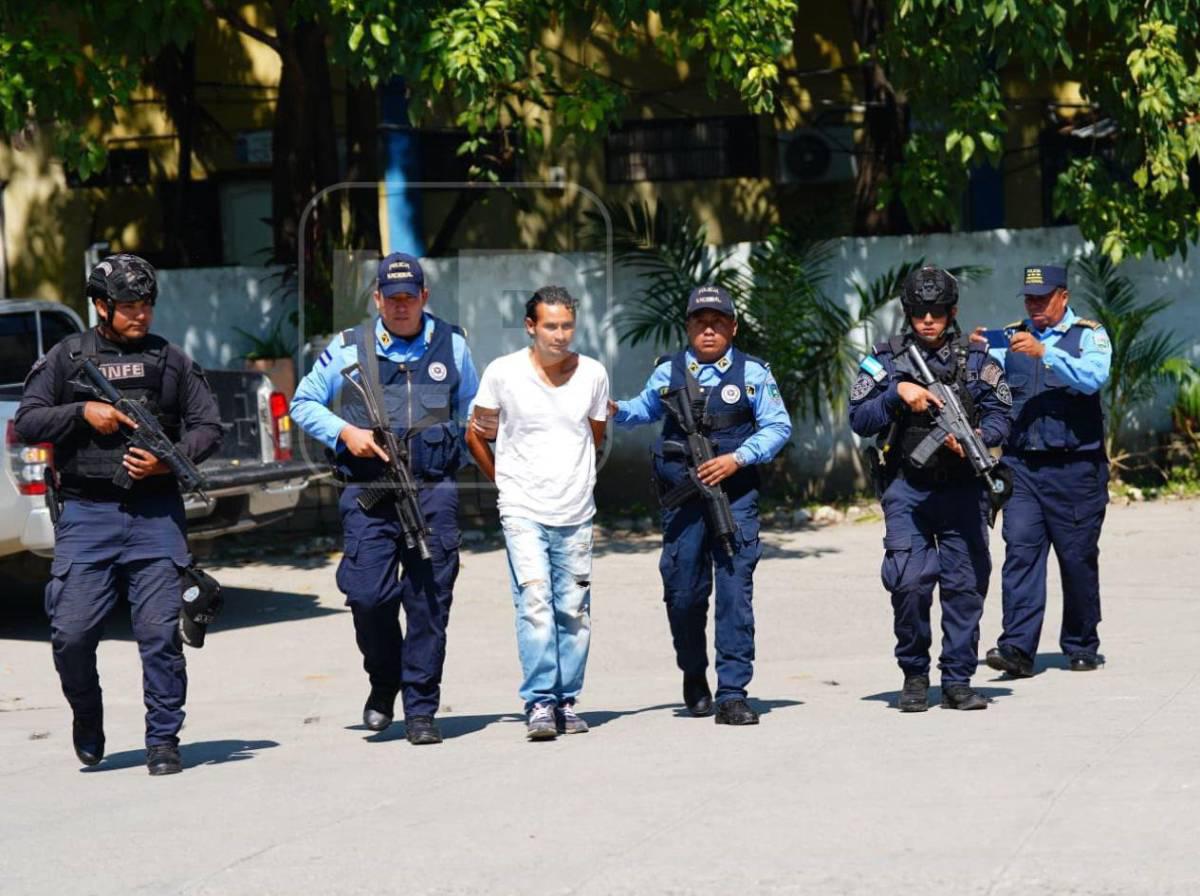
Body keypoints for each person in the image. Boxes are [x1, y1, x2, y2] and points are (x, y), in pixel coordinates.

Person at [14, 253, 223, 774]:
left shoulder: (170, 360)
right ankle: (88, 717)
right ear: (102, 306)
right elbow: (29, 420)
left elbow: (208, 427)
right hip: (88, 513)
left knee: (159, 634)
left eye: (147, 304)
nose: (141, 315)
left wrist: (168, 460)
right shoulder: (67, 359)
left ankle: (163, 740)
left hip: (155, 514)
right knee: (72, 632)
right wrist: (83, 412)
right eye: (129, 306)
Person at [290, 252, 478, 745]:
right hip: (368, 494)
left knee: (430, 602)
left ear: (423, 297)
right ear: (377, 299)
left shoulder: (452, 346)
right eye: (390, 298)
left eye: (408, 297)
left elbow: (475, 412)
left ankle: (420, 709)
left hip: (432, 491)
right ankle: (384, 680)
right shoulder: (348, 347)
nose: (400, 306)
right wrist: (344, 432)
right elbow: (303, 403)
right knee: (368, 596)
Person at [611, 285, 791, 726]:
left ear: (732, 326)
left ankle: (733, 693)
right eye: (699, 322)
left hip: (735, 501)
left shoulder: (753, 374)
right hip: (683, 503)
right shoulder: (667, 372)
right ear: (688, 327)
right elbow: (641, 410)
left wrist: (737, 459)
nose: (708, 330)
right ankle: (694, 674)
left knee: (734, 596)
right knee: (683, 595)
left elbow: (777, 426)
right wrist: (608, 408)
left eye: (717, 322)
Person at [849, 266, 1010, 712]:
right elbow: (859, 419)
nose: (928, 320)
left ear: (952, 312)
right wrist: (897, 392)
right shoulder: (884, 360)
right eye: (919, 312)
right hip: (907, 487)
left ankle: (958, 679)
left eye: (937, 312)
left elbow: (1002, 416)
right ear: (908, 313)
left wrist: (977, 438)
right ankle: (915, 675)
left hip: (963, 489)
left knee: (965, 585)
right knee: (910, 582)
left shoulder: (978, 360)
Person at [465, 286, 609, 741]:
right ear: (531, 327)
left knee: (574, 609)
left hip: (576, 512)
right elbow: (476, 435)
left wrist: (576, 477)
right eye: (551, 326)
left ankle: (567, 700)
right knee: (535, 605)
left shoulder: (593, 374)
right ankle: (541, 702)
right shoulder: (502, 374)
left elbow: (596, 434)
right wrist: (504, 483)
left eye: (567, 325)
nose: (560, 335)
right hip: (523, 509)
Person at [982, 265, 1112, 678]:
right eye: (1029, 299)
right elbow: (984, 377)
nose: (1033, 306)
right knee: (1020, 553)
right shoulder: (1011, 336)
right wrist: (976, 353)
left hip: (1076, 470)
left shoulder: (1088, 336)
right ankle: (1017, 648)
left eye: (1042, 298)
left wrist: (1047, 354)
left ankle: (1081, 642)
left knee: (1076, 559)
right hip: (1022, 468)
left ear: (1063, 297)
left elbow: (1094, 377)